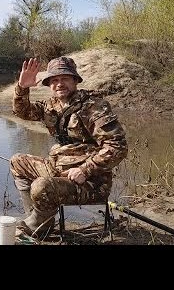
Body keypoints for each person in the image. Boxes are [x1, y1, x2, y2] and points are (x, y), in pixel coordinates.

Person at [10, 56, 128, 238]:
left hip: (90, 182)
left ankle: (36, 225)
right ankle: (42, 220)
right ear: (48, 84)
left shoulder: (94, 107)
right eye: (54, 80)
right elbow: (22, 111)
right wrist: (22, 87)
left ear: (75, 80)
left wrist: (85, 169)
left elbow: (117, 146)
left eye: (64, 78)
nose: (59, 84)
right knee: (18, 162)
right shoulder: (50, 105)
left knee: (41, 186)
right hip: (58, 168)